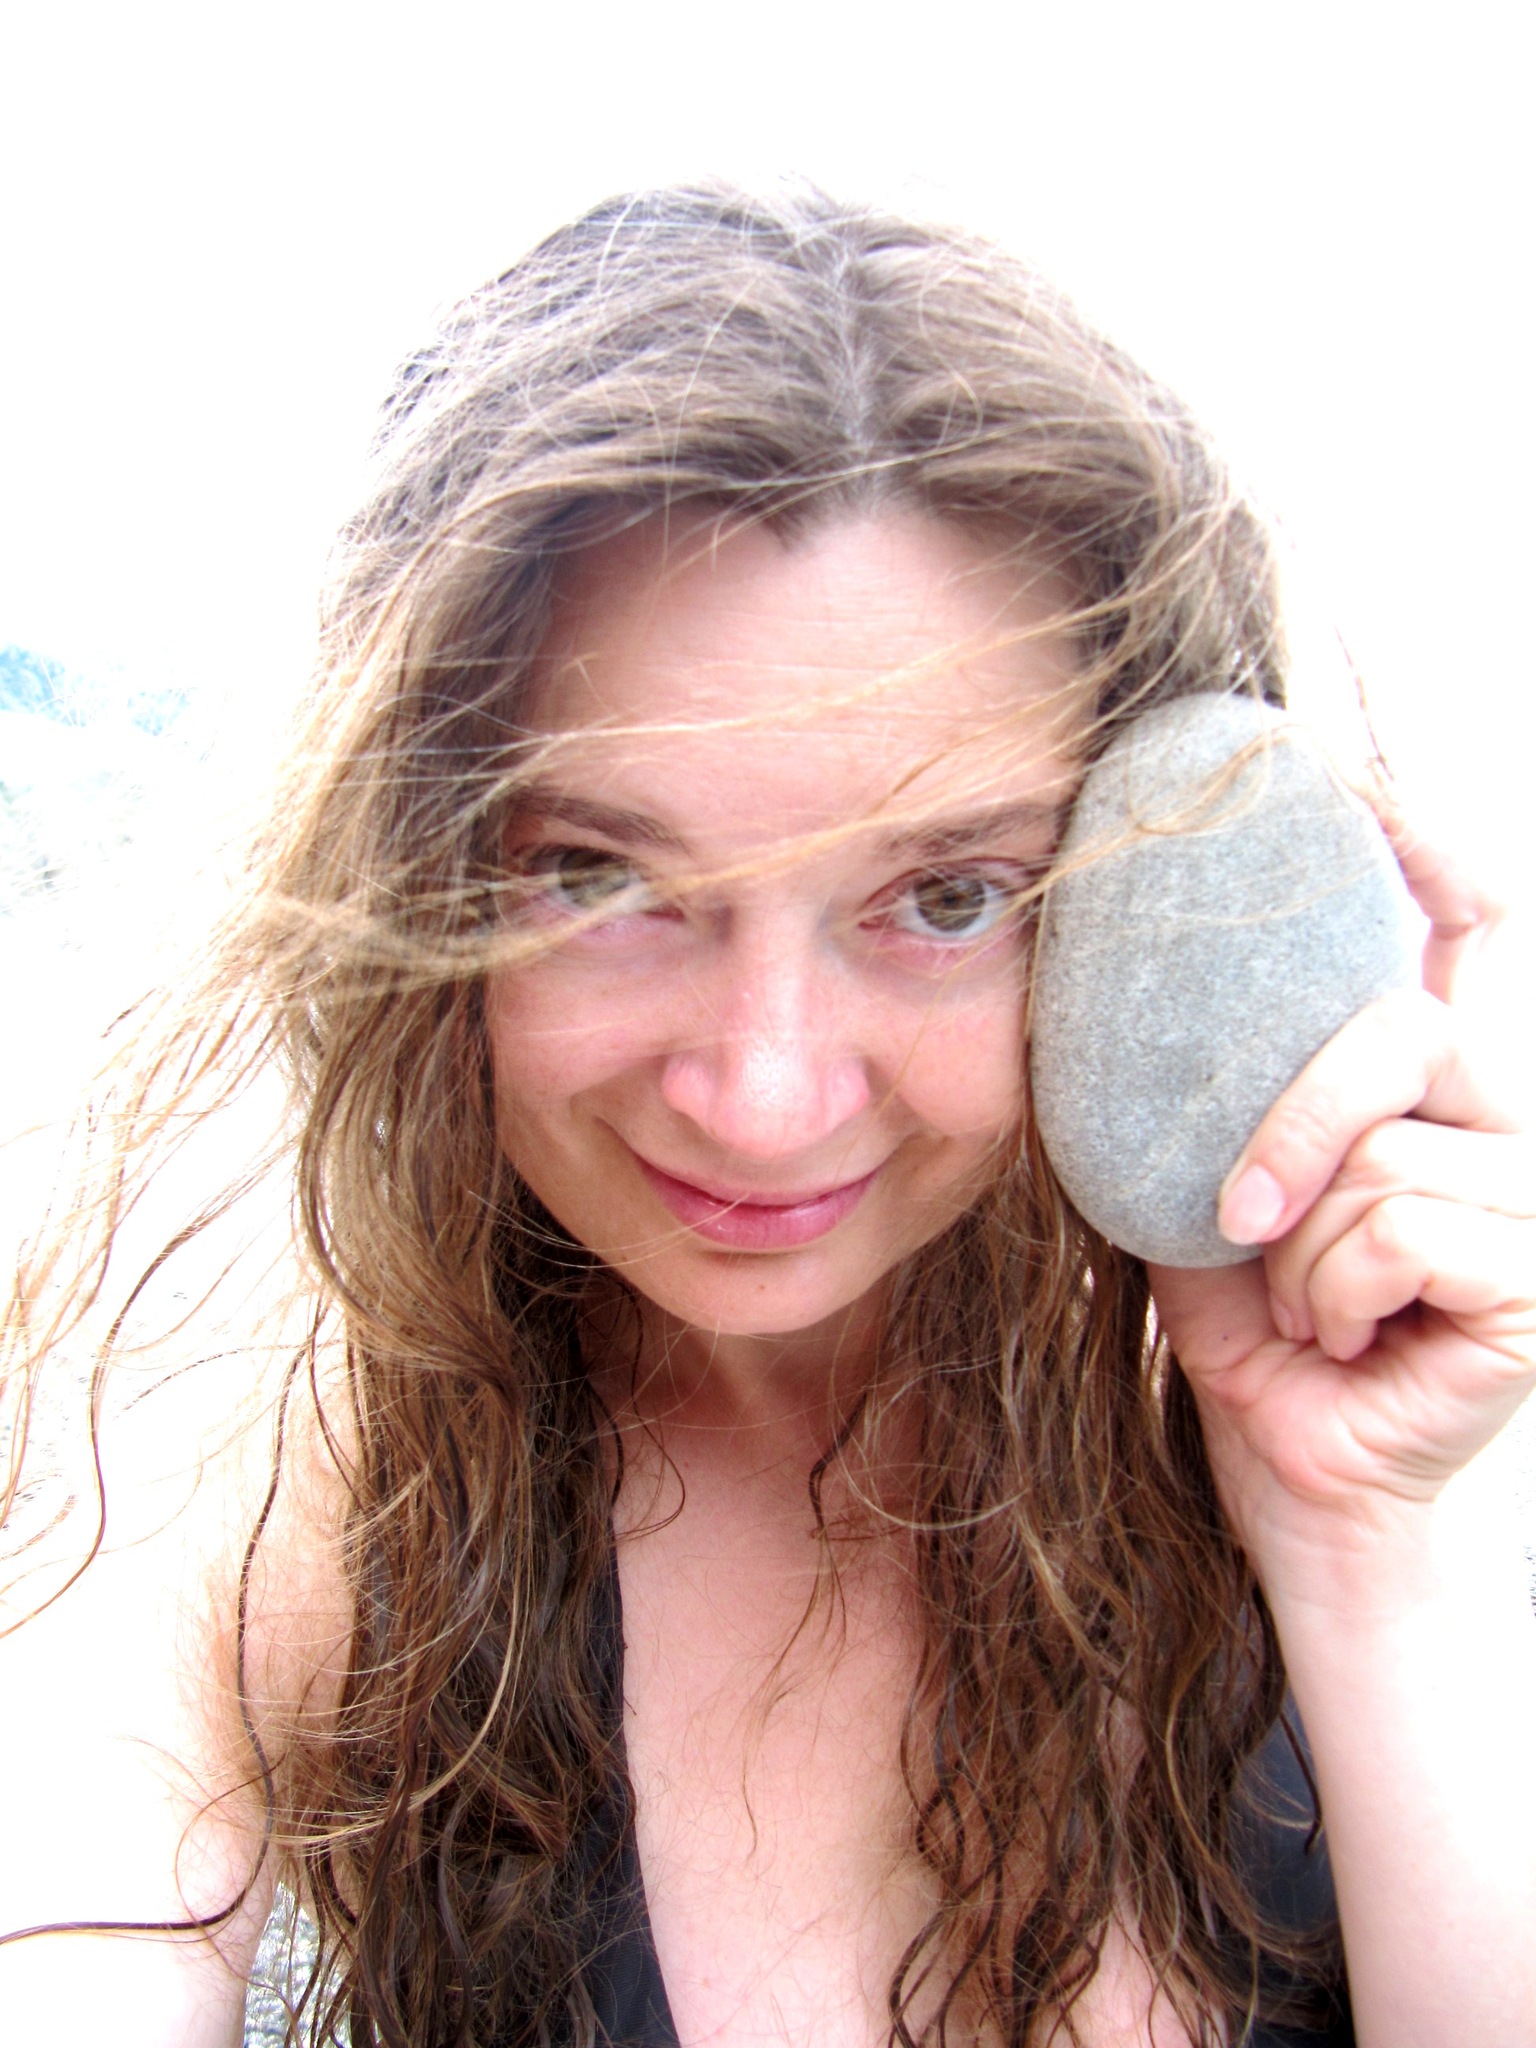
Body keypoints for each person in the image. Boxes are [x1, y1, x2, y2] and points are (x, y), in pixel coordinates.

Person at [1, 183, 1532, 2048]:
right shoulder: (276, 1469)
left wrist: (1362, 1551)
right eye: (597, 876)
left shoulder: (1272, 1412)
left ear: (1139, 899)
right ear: (405, 867)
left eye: (947, 896)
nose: (765, 1093)